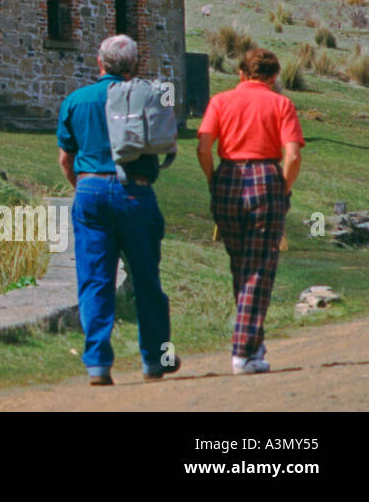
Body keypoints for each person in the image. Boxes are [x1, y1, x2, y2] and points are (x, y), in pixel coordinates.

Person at [57, 34, 178, 385]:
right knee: (146, 279)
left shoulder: (76, 100)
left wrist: (83, 189)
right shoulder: (142, 97)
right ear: (135, 65)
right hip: (135, 192)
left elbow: (66, 158)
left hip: (91, 188)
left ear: (100, 63)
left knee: (95, 280)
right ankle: (155, 360)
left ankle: (97, 364)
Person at [197, 48, 304, 375]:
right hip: (265, 180)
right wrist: (281, 189)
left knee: (240, 266)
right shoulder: (281, 103)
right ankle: (243, 351)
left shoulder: (220, 100)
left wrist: (213, 179)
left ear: (241, 74)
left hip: (228, 176)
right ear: (273, 77)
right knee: (259, 269)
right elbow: (294, 156)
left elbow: (203, 146)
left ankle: (254, 347)